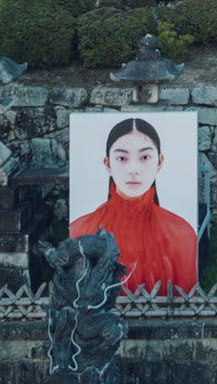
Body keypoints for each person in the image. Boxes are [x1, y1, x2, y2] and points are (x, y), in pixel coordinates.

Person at [68, 117, 198, 297]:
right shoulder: (79, 232)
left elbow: (187, 305)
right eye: (122, 158)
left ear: (159, 162)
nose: (133, 169)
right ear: (108, 164)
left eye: (145, 157)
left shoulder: (182, 234)